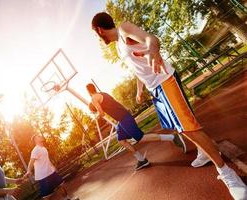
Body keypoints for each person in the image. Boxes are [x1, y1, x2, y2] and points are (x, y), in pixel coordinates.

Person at [91, 12, 247, 200]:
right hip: (155, 88)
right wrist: (140, 90)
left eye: (95, 34)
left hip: (165, 80)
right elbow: (138, 69)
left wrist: (154, 50)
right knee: (179, 128)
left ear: (99, 30)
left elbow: (151, 39)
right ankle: (203, 152)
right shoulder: (118, 47)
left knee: (188, 128)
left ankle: (228, 174)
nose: (97, 37)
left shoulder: (124, 29)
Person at [86, 83, 186, 170]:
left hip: (124, 118)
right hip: (122, 119)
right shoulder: (103, 93)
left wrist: (95, 116)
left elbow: (102, 113)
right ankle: (141, 160)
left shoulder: (93, 98)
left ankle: (172, 137)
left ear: (88, 92)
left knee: (140, 138)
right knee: (121, 141)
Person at [24, 134, 78, 200]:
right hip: (43, 176)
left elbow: (47, 159)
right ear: (35, 140)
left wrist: (53, 166)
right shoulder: (35, 150)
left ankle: (67, 199)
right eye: (38, 136)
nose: (40, 136)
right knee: (47, 196)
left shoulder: (43, 148)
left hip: (50, 172)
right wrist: (29, 170)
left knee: (60, 186)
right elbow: (31, 161)